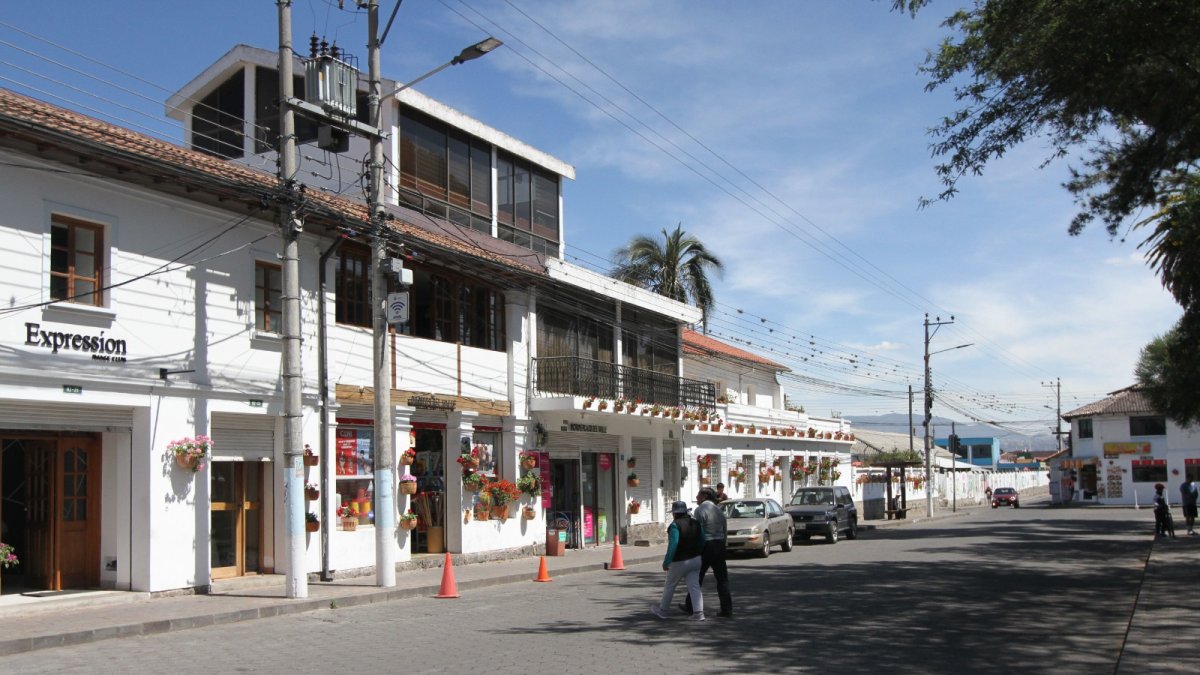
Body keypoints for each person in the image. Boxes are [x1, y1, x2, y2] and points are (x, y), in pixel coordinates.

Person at [681, 487, 732, 618]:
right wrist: (724, 545)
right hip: (719, 545)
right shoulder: (718, 510)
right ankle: (727, 609)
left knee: (696, 578)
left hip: (706, 546)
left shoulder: (700, 510)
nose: (696, 498)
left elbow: (696, 531)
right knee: (722, 579)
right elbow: (724, 529)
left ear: (704, 496)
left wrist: (693, 549)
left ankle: (691, 606)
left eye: (698, 495)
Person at [650, 501, 705, 621]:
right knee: (694, 586)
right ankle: (698, 613)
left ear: (675, 514)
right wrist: (698, 553)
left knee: (670, 585)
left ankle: (663, 610)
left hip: (680, 560)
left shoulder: (675, 525)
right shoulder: (696, 523)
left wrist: (667, 561)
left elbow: (673, 544)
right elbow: (702, 540)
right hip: (696, 559)